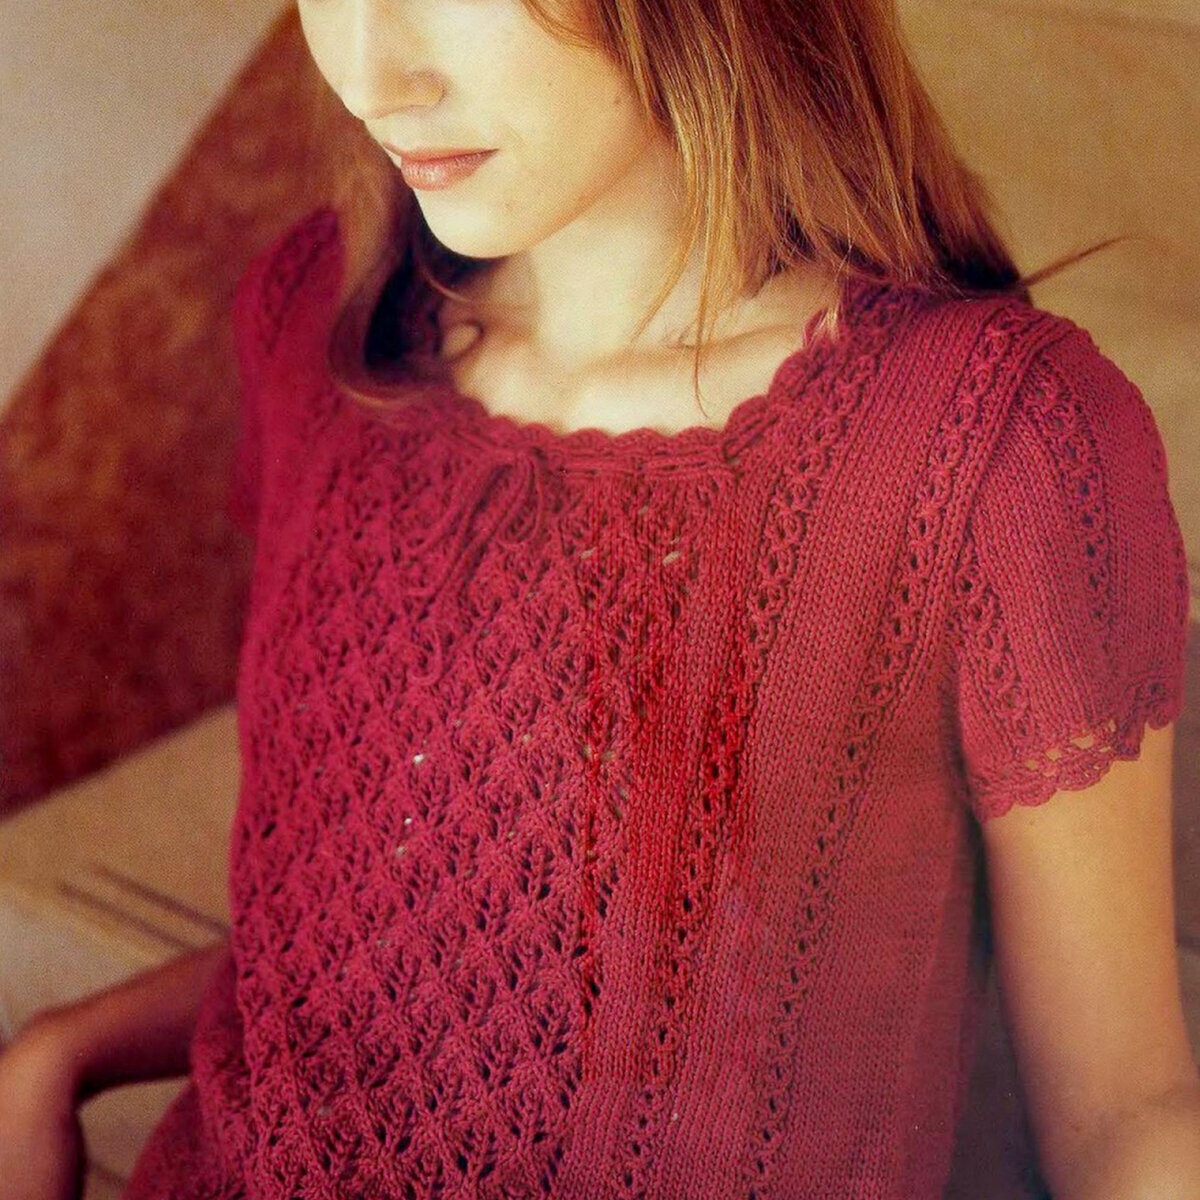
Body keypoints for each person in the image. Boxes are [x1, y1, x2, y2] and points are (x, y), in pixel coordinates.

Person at [1, 0, 1197, 1197]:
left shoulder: (990, 445)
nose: (371, 75)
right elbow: (374, 938)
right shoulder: (321, 321)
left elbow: (1123, 1115)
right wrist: (65, 1047)